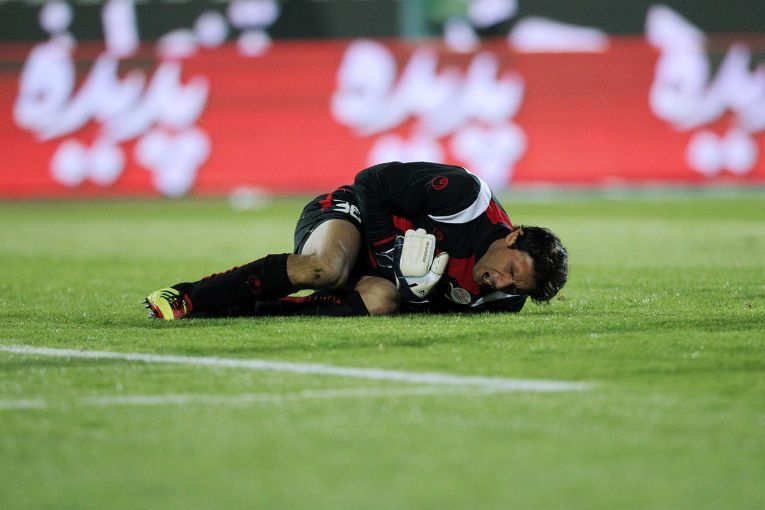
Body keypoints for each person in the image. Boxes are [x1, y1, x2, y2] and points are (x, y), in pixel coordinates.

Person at [145, 161, 568, 319]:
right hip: (354, 214)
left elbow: (418, 306)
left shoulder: (502, 300)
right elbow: (371, 180)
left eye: (517, 287)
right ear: (513, 236)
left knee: (383, 302)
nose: (502, 283)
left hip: (381, 269)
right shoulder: (465, 198)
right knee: (326, 269)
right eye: (511, 269)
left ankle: (250, 307)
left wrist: (415, 295)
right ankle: (189, 296)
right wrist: (387, 253)